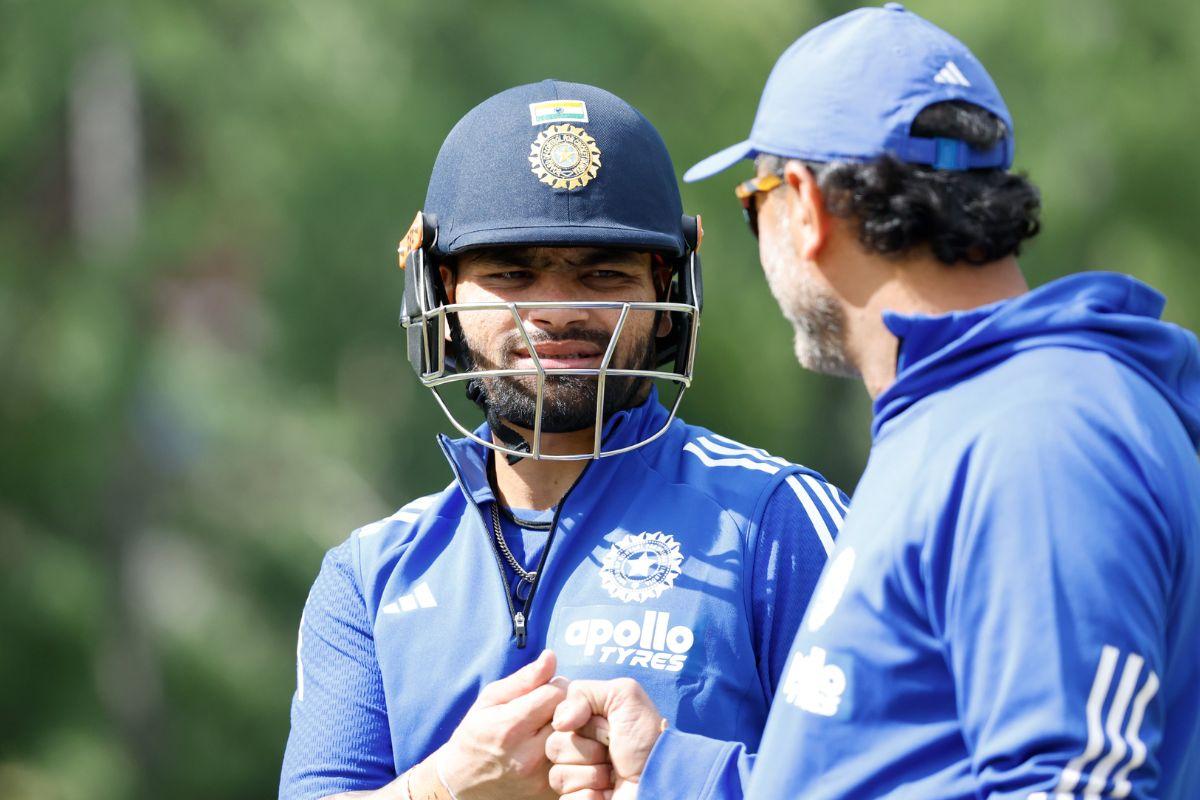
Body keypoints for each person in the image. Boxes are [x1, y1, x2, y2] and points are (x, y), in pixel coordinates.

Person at [546, 5, 1200, 799]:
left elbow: (1066, 785)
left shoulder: (1038, 431)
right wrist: (678, 775)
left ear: (805, 204)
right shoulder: (957, 414)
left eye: (753, 205)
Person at [277, 80, 848, 800]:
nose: (558, 310)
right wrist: (447, 785)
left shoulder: (776, 520)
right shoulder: (372, 574)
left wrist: (684, 779)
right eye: (512, 274)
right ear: (442, 294)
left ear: (665, 290)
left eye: (603, 273)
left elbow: (913, 781)